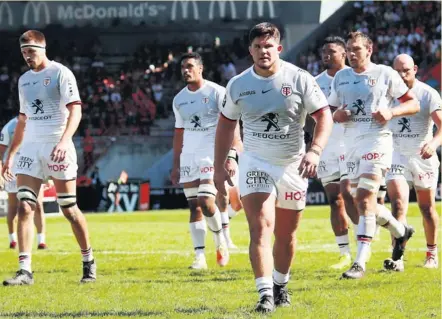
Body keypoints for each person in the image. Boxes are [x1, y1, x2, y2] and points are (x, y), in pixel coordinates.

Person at [214, 22, 333, 313]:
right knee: (260, 227)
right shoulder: (238, 84)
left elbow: (324, 117)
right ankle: (265, 293)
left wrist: (315, 151)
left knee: (287, 234)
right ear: (250, 50)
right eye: (257, 46)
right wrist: (220, 166)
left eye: (268, 46)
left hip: (293, 164)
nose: (263, 51)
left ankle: (281, 284)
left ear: (278, 48)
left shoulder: (299, 78)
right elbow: (225, 125)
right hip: (255, 161)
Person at [2, 30, 96, 286]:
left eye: (30, 51)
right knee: (24, 205)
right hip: (30, 148)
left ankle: (88, 260)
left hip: (57, 144)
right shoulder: (23, 80)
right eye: (23, 52)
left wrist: (65, 141)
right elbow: (23, 120)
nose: (27, 57)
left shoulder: (60, 73)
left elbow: (75, 110)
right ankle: (25, 270)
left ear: (42, 48)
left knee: (69, 209)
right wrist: (10, 155)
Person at [331, 32, 420, 279]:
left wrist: (391, 112)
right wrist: (337, 115)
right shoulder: (341, 77)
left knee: (364, 196)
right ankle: (401, 230)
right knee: (363, 201)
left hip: (377, 141)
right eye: (349, 49)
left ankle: (360, 261)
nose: (351, 53)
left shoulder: (385, 74)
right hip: (350, 145)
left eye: (357, 49)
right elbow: (331, 109)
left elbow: (413, 104)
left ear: (369, 50)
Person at [171, 52, 240, 270]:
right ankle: (199, 257)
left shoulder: (217, 92)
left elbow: (232, 122)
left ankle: (221, 242)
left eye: (190, 66)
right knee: (194, 206)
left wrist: (232, 153)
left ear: (201, 68)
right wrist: (176, 164)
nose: (186, 70)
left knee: (206, 201)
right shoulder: (179, 99)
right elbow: (179, 133)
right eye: (183, 67)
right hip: (189, 155)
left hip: (212, 152)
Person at [384, 54, 441, 271]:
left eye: (406, 70)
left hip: (422, 156)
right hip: (396, 155)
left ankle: (431, 253)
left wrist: (433, 144)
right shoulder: (387, 94)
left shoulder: (427, 94)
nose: (402, 74)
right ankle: (397, 259)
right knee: (398, 205)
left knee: (426, 208)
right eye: (397, 71)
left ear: (415, 69)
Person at [315, 36, 359, 270]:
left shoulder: (355, 78)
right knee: (335, 200)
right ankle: (344, 253)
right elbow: (308, 116)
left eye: (332, 51)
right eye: (324, 51)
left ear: (344, 54)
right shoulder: (315, 82)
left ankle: (363, 246)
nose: (326, 55)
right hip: (327, 148)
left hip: (351, 144)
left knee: (350, 194)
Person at [0, 116, 47, 250]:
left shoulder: (39, 123)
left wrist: (47, 173)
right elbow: (0, 151)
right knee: (14, 207)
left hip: (35, 167)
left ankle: (41, 241)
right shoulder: (10, 127)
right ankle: (12, 239)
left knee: (38, 204)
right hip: (13, 170)